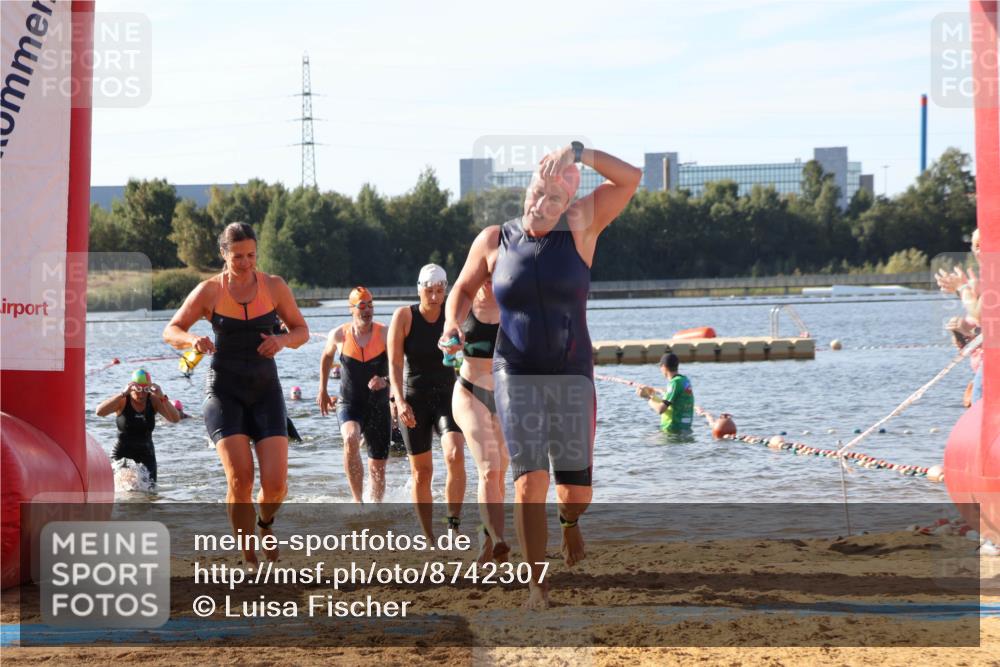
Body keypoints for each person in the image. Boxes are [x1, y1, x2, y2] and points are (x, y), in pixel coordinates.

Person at [443, 141, 641, 609]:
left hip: (572, 374)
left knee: (576, 493)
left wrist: (577, 152)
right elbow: (463, 288)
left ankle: (570, 522)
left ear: (568, 202)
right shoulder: (495, 240)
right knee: (529, 482)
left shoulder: (581, 225)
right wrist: (452, 325)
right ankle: (537, 585)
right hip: (516, 372)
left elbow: (630, 178)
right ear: (526, 189)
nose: (542, 204)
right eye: (537, 193)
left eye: (554, 198)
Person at [163, 222, 309, 565]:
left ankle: (265, 523)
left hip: (266, 390)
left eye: (251, 255)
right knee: (241, 479)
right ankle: (248, 554)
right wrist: (192, 340)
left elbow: (301, 330)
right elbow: (171, 330)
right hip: (224, 392)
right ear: (224, 254)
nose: (245, 263)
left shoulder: (274, 286)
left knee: (276, 485)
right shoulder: (209, 291)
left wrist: (282, 340)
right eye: (238, 256)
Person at [388, 264, 466, 538]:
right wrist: (399, 401)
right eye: (429, 291)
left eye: (439, 291)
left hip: (447, 396)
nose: (434, 297)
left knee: (455, 454)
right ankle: (427, 534)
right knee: (422, 472)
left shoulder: (451, 316)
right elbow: (394, 363)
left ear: (446, 291)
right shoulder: (404, 316)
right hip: (414, 399)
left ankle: (453, 526)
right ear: (419, 289)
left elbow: (468, 352)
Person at [447, 277, 509, 565]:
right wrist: (448, 343)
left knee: (499, 475)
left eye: (493, 273)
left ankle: (487, 543)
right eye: (483, 273)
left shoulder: (513, 304)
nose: (488, 279)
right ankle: (497, 537)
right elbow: (447, 335)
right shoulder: (464, 302)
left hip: (505, 396)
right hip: (469, 392)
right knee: (488, 469)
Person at [318, 286, 391, 503]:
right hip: (350, 403)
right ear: (351, 309)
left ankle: (375, 511)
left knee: (377, 469)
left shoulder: (385, 333)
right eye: (362, 306)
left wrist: (385, 381)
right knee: (350, 438)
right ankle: (358, 502)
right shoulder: (339, 335)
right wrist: (322, 389)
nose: (367, 310)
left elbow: (400, 365)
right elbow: (326, 357)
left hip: (378, 405)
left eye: (370, 305)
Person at [95, 369, 181, 483]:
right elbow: (99, 412)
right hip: (122, 452)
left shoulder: (153, 400)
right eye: (138, 389)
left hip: (146, 453)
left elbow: (175, 419)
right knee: (125, 487)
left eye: (146, 390)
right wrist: (122, 393)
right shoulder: (123, 400)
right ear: (132, 387)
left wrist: (162, 397)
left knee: (149, 490)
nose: (142, 394)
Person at [937, 228, 983, 403]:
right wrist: (961, 332)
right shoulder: (984, 280)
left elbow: (981, 314)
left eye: (985, 243)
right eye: (976, 245)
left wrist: (962, 289)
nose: (980, 250)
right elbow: (983, 329)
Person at [637, 353, 695, 433]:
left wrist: (647, 397)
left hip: (672, 430)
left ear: (664, 367)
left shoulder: (674, 383)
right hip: (685, 429)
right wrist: (653, 390)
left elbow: (660, 409)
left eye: (660, 367)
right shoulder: (684, 380)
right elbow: (672, 394)